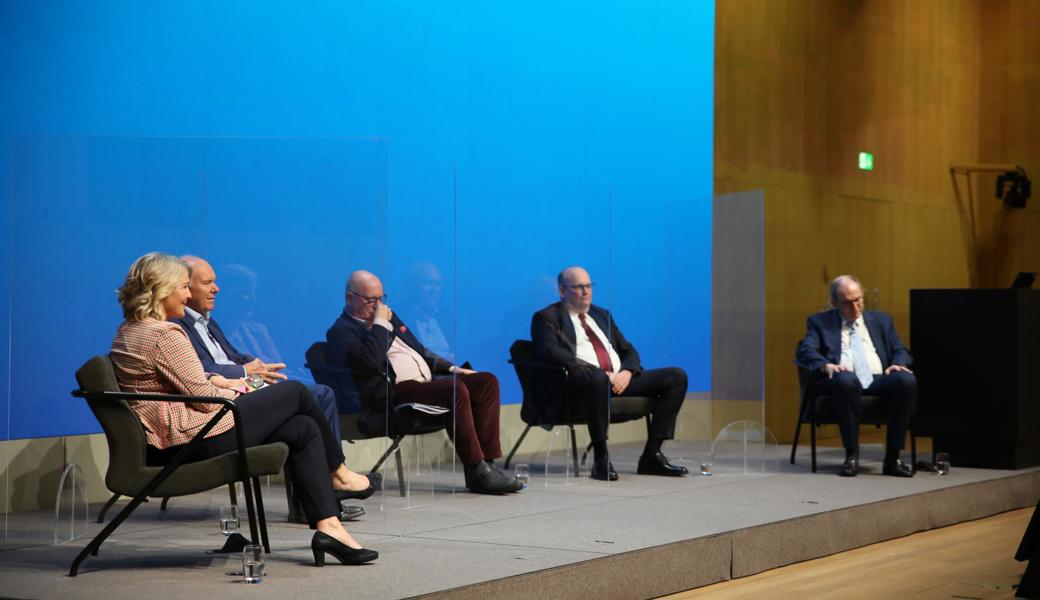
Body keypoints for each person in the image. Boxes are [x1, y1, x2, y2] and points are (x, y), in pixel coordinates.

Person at [109, 252, 378, 565]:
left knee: (302, 428)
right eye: (183, 286)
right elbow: (200, 395)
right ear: (163, 289)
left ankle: (330, 527)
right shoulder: (165, 334)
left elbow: (186, 383)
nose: (187, 294)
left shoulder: (130, 330)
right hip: (190, 440)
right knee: (296, 393)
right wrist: (240, 386)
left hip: (177, 436)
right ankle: (340, 473)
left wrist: (222, 382)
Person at [168, 256, 366, 522]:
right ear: (185, 286)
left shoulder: (207, 321)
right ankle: (333, 476)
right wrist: (245, 372)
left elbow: (233, 356)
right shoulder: (173, 326)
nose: (217, 289)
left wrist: (255, 366)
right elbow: (200, 369)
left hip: (241, 387)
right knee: (313, 394)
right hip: (223, 401)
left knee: (304, 416)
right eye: (208, 283)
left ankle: (317, 503)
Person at [326, 270, 521, 495]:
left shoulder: (389, 317)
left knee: (485, 381)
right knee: (453, 389)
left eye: (381, 299)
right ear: (350, 298)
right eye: (371, 300)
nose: (378, 306)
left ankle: (487, 464)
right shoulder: (341, 331)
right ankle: (476, 468)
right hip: (392, 393)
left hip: (425, 383)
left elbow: (419, 349)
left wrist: (453, 368)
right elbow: (371, 361)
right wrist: (380, 322)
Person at [531, 266, 689, 481]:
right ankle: (601, 458)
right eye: (578, 287)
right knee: (597, 378)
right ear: (562, 291)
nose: (586, 291)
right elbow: (550, 353)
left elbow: (628, 350)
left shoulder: (601, 315)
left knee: (676, 377)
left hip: (618, 381)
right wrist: (598, 372)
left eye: (588, 286)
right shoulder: (547, 317)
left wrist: (626, 372)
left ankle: (652, 455)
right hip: (581, 385)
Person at [795, 274, 916, 478]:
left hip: (878, 379)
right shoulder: (819, 322)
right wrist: (826, 365)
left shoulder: (881, 321)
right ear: (834, 303)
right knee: (846, 379)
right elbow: (806, 350)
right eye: (848, 303)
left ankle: (893, 458)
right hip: (841, 379)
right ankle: (851, 454)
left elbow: (901, 349)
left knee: (905, 380)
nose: (856, 307)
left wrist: (897, 364)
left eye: (859, 299)